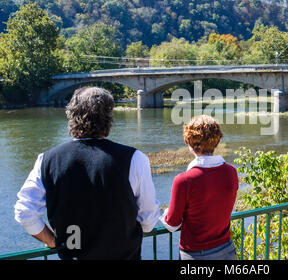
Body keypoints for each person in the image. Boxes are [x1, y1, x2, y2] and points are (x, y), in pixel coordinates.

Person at [14, 87, 160, 260]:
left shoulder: (46, 160)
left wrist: (53, 241)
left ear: (71, 116)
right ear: (109, 118)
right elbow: (148, 221)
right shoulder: (135, 159)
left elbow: (25, 212)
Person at [160, 115, 239, 260]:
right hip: (227, 250)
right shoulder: (231, 172)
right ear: (216, 141)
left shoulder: (183, 180)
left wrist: (164, 212)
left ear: (189, 144)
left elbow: (172, 224)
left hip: (196, 255)